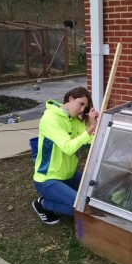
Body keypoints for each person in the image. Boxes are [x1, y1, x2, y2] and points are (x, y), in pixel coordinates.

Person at [32, 87, 98, 224]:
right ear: (71, 98)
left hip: (69, 174)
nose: (82, 109)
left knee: (96, 190)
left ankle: (62, 195)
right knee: (80, 207)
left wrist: (91, 124)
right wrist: (90, 129)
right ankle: (42, 204)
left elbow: (90, 139)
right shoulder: (50, 118)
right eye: (81, 104)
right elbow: (68, 147)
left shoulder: (73, 120)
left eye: (85, 107)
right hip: (47, 179)